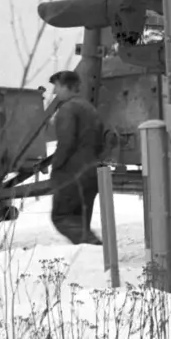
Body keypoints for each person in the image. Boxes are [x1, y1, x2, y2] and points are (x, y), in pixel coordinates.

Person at [44, 71, 105, 246]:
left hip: (72, 174)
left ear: (66, 87)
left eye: (56, 86)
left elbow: (66, 142)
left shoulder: (67, 109)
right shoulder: (90, 108)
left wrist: (57, 166)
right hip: (90, 173)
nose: (54, 91)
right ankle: (93, 253)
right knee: (79, 221)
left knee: (62, 217)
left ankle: (94, 245)